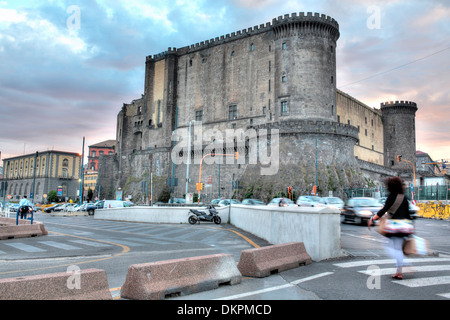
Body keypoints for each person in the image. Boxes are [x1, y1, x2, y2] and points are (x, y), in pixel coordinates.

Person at [368, 177, 413, 280]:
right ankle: (399, 272)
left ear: (391, 186)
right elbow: (408, 213)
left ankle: (406, 263)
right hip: (405, 226)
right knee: (397, 248)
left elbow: (384, 210)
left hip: (395, 226)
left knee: (389, 247)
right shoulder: (404, 197)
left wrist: (372, 219)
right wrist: (411, 229)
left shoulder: (391, 196)